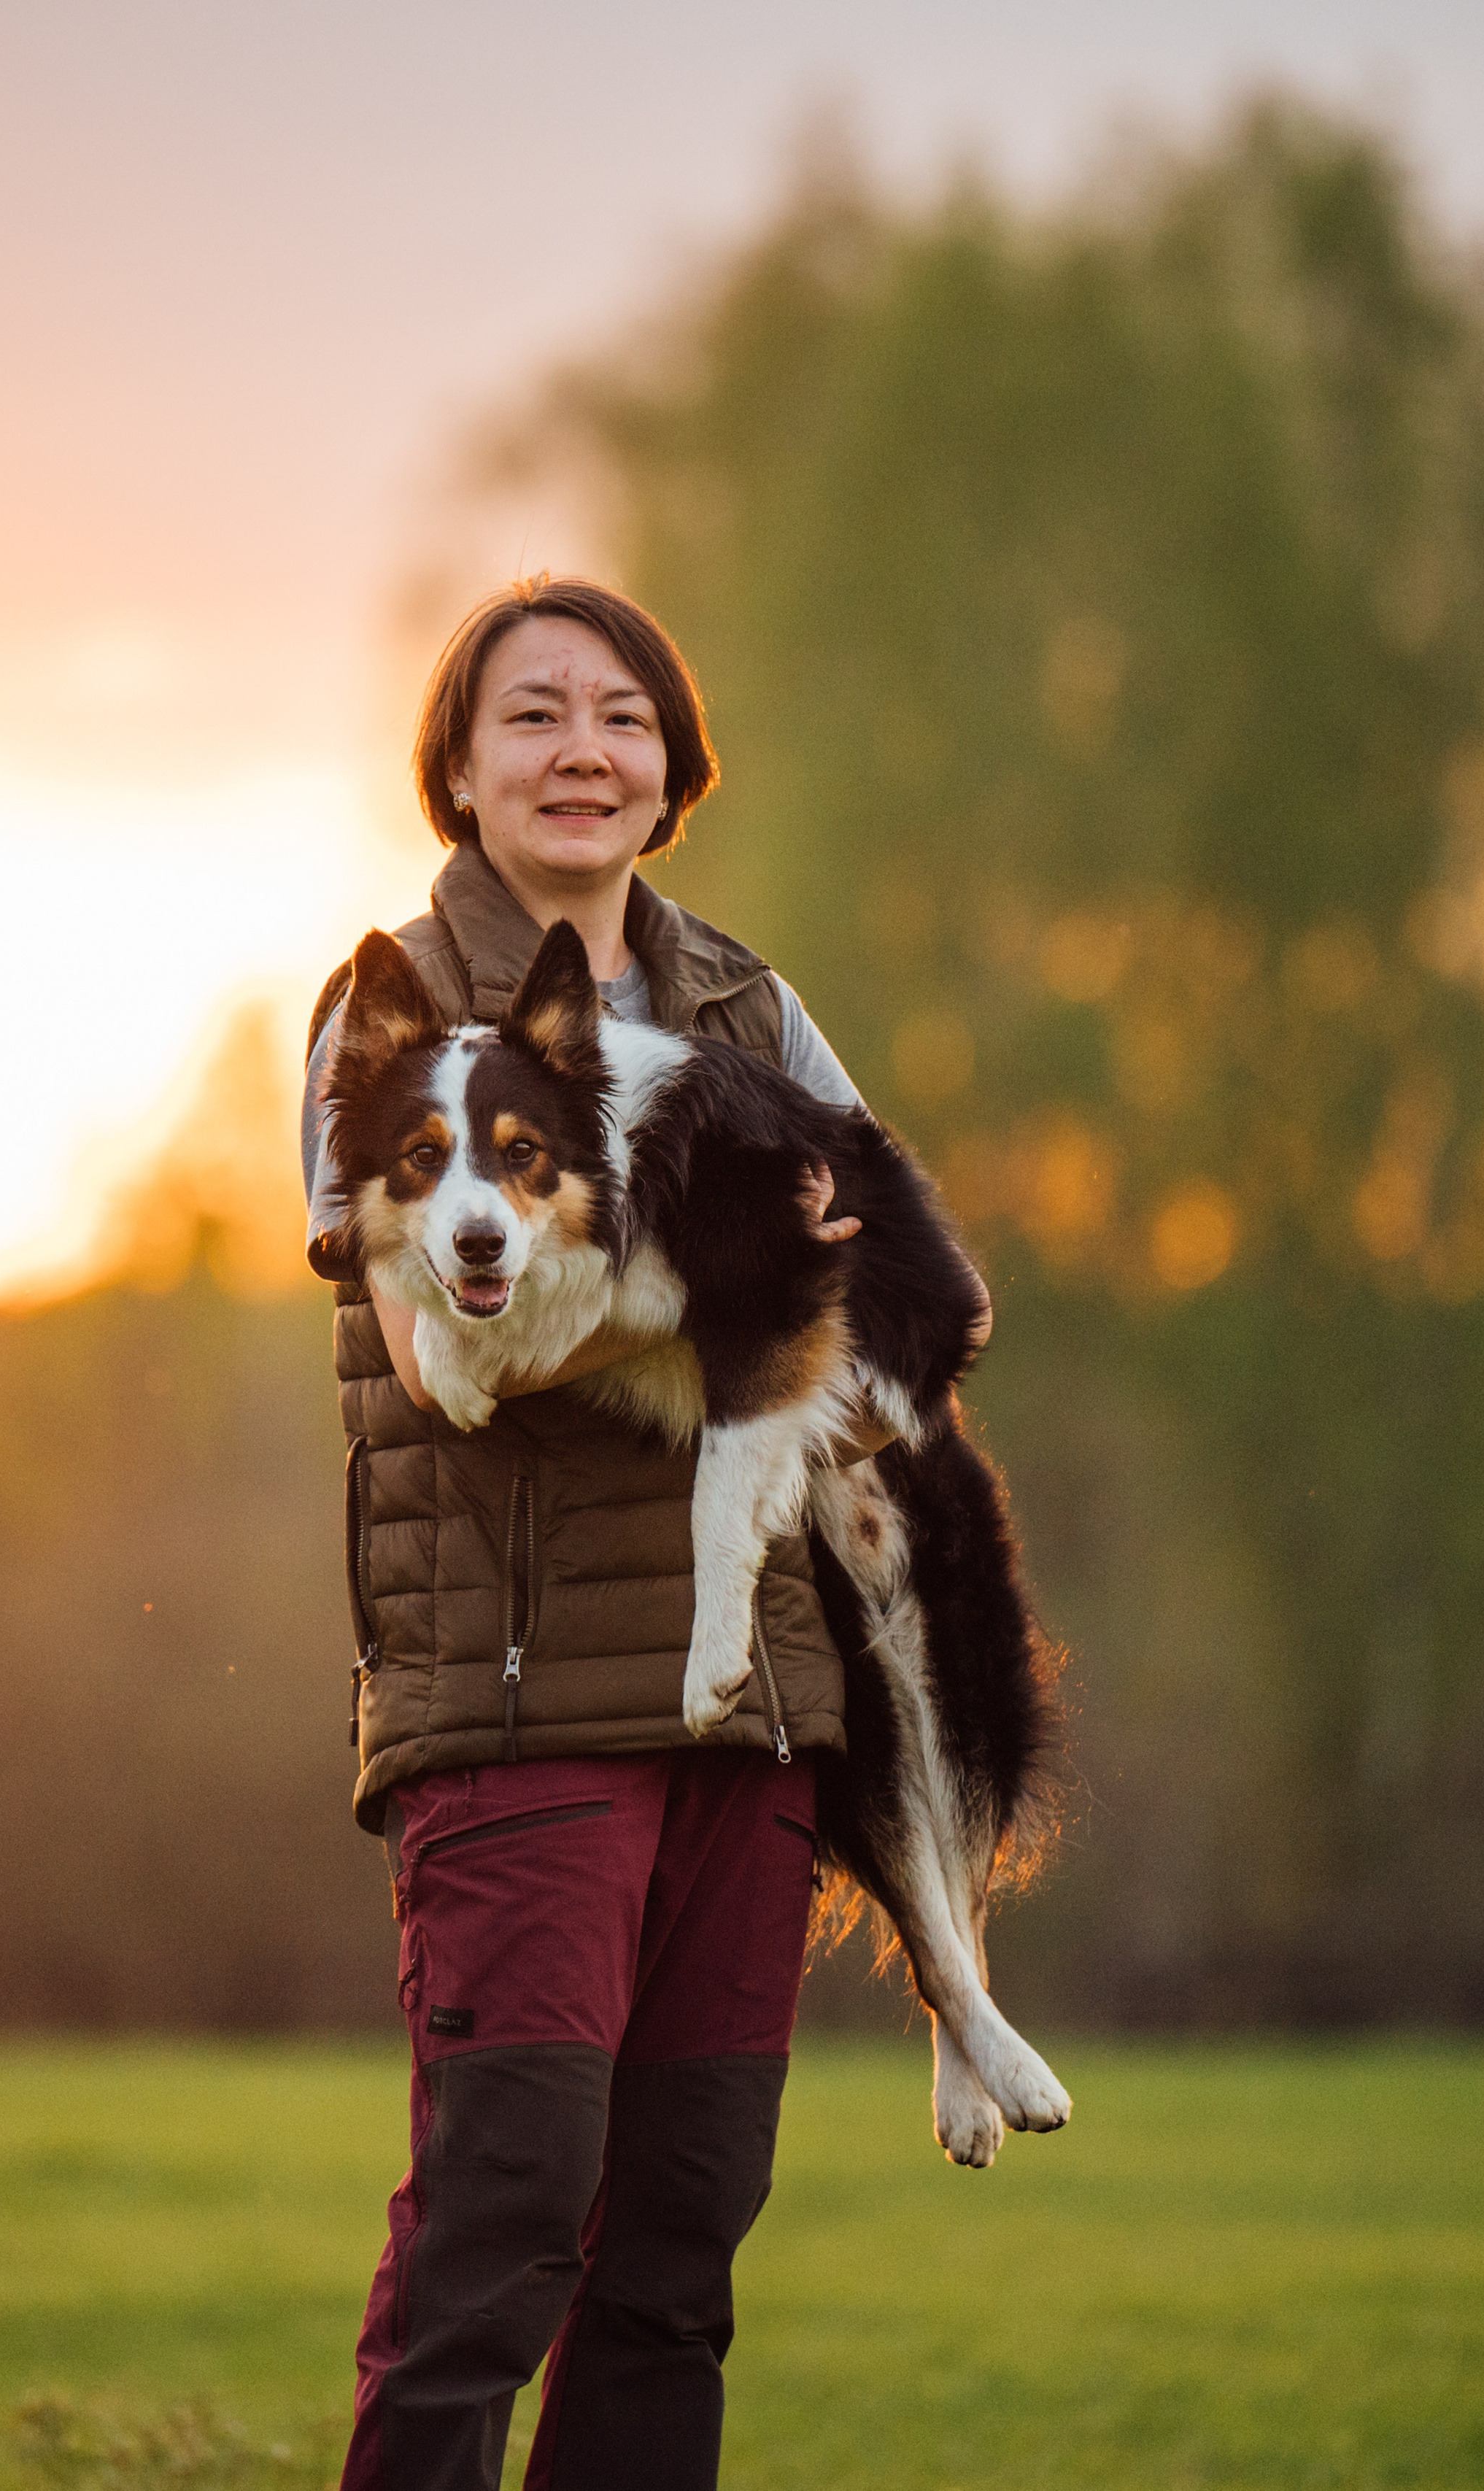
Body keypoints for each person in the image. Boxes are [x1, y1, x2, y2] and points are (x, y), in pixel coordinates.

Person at [302, 577, 982, 2491]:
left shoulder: (754, 1005)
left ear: (675, 765)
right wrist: (750, 1272)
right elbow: (446, 1334)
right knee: (497, 2234)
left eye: (621, 715)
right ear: (457, 765)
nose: (582, 749)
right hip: (517, 1717)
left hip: (750, 1708)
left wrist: (816, 1291)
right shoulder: (385, 1014)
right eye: (530, 715)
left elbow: (910, 1282)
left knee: (677, 2257)